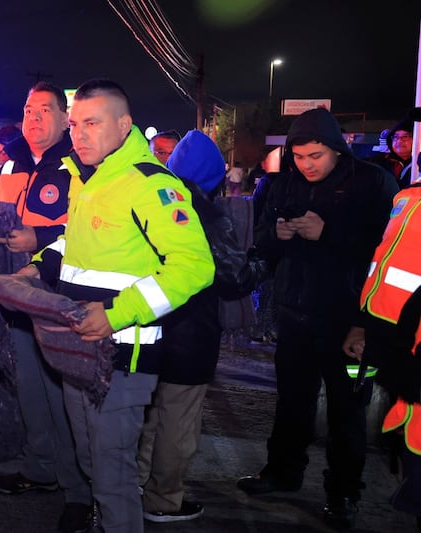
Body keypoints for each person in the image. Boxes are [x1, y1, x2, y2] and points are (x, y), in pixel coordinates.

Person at [36, 79, 215, 533]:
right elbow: (76, 243)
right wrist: (36, 267)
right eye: (75, 124)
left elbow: (194, 266)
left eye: (92, 123)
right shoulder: (89, 178)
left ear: (124, 125)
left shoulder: (148, 183)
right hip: (79, 350)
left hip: (124, 357)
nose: (79, 134)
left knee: (113, 473)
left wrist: (116, 313)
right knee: (91, 462)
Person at [236, 108, 399, 529]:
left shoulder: (372, 181)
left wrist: (328, 233)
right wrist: (279, 235)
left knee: (347, 412)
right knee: (292, 402)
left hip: (348, 320)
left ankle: (344, 493)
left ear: (337, 149)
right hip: (295, 314)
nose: (307, 164)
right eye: (300, 156)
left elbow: (384, 251)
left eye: (316, 155)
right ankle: (281, 473)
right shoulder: (284, 182)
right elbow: (263, 247)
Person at [136, 130, 265, 523]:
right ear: (213, 176)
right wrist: (263, 259)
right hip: (191, 332)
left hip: (147, 326)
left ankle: (137, 483)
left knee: (150, 415)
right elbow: (232, 278)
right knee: (179, 423)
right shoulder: (206, 212)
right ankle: (163, 499)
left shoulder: (153, 199)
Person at [0, 83, 92, 533]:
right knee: (31, 388)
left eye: (45, 109)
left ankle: (80, 493)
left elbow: (87, 229)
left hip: (56, 295)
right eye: (28, 108)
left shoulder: (79, 164)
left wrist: (40, 242)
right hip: (14, 296)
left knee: (64, 396)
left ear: (64, 118)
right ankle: (41, 467)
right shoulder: (12, 162)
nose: (33, 117)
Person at [342, 182, 421, 529]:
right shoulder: (406, 196)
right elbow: (381, 261)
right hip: (379, 336)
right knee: (353, 408)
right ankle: (345, 490)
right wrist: (362, 322)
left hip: (410, 346)